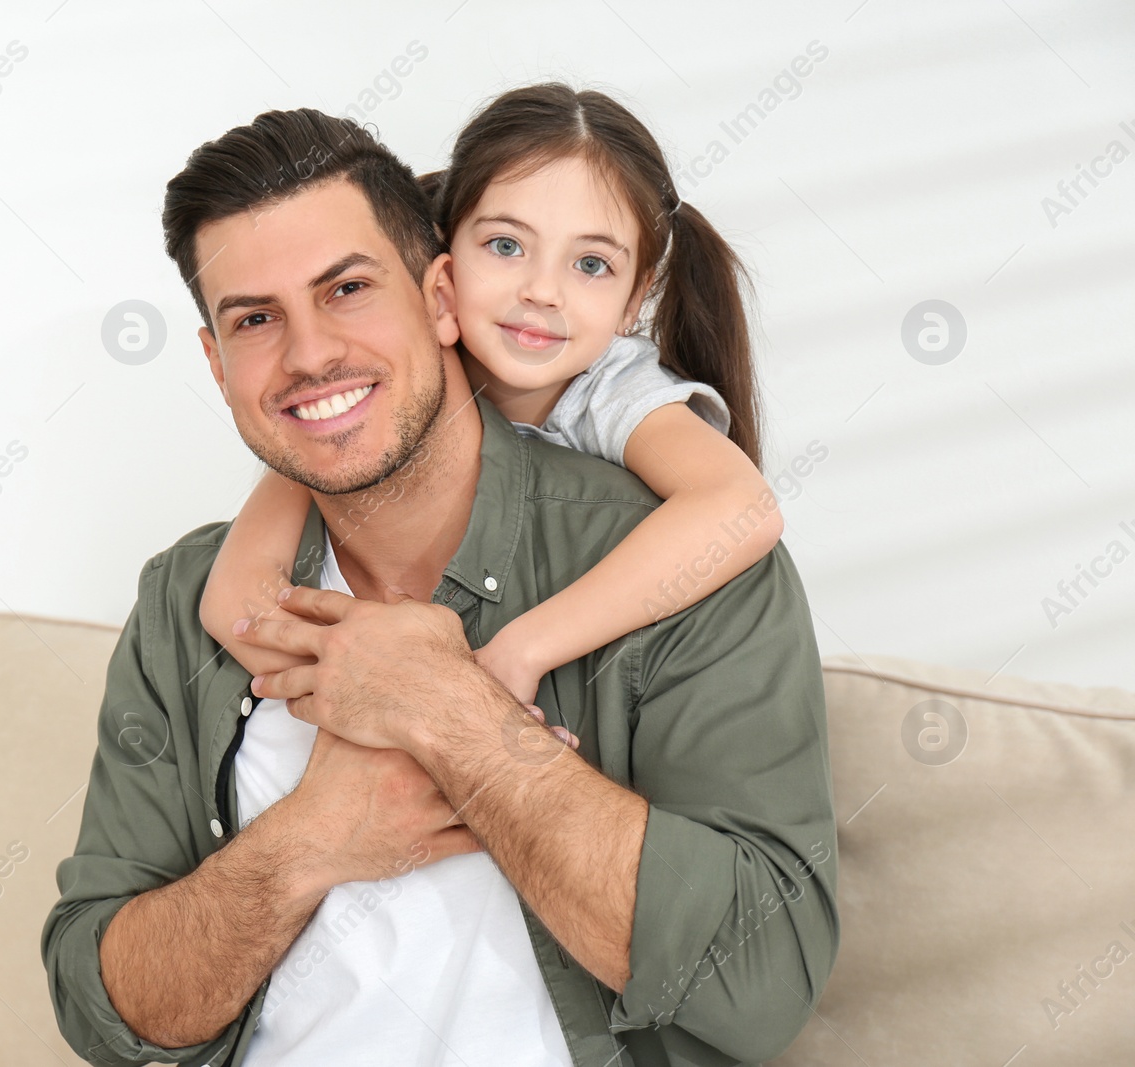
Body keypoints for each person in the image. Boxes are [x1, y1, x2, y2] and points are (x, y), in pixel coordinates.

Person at [43, 86, 838, 1067]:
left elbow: (759, 986)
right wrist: (311, 838)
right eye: (255, 319)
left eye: (346, 288)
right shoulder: (188, 591)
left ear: (435, 297)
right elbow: (98, 1004)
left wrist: (451, 711)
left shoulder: (685, 558)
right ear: (215, 363)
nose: (309, 352)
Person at [199, 88, 778, 708]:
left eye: (591, 264)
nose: (542, 291)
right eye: (506, 246)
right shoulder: (388, 384)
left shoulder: (616, 389)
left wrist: (522, 649)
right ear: (442, 260)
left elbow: (742, 506)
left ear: (635, 299)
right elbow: (240, 590)